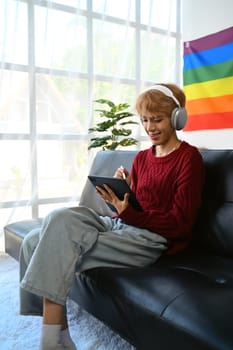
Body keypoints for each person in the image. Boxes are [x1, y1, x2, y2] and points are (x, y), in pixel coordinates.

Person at [19, 83, 205, 350]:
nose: (150, 127)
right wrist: (122, 195)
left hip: (152, 240)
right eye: (145, 120)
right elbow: (136, 209)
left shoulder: (189, 159)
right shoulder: (142, 158)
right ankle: (60, 335)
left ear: (177, 118)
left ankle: (51, 340)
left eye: (158, 120)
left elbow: (180, 223)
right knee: (52, 224)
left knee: (49, 243)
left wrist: (128, 211)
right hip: (122, 224)